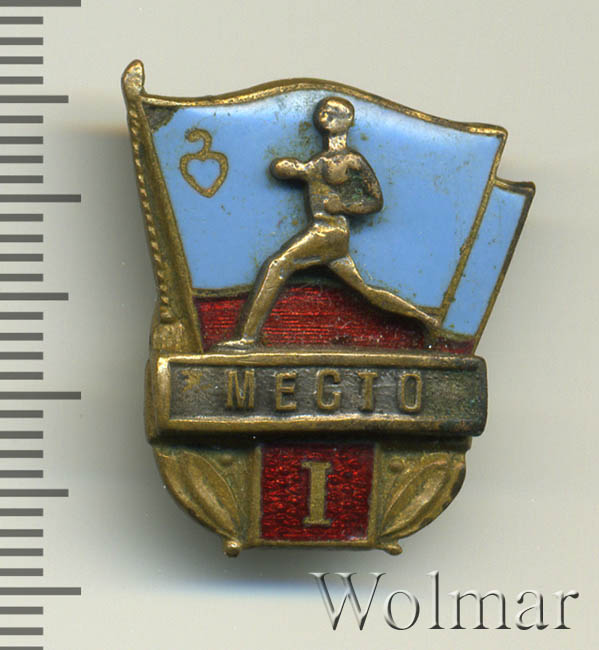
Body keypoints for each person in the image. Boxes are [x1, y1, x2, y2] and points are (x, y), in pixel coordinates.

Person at [217, 96, 439, 349]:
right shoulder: (318, 161)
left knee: (277, 265)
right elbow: (286, 169)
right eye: (323, 111)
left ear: (348, 120)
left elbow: (375, 202)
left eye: (333, 112)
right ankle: (427, 320)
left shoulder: (352, 161)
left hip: (330, 232)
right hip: (327, 234)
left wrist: (342, 206)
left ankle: (247, 338)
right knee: (366, 290)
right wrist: (288, 168)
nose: (325, 115)